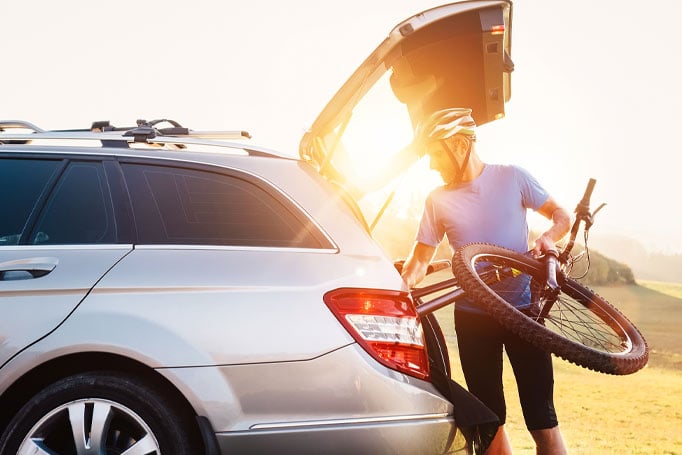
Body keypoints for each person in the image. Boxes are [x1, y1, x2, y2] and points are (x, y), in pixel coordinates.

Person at [400, 108, 571, 455]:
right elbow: (420, 259)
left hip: (524, 315)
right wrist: (401, 289)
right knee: (489, 426)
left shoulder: (513, 177)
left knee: (543, 421)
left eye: (435, 154)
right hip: (473, 320)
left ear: (459, 146)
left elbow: (561, 215)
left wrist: (549, 238)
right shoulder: (438, 200)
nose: (432, 165)